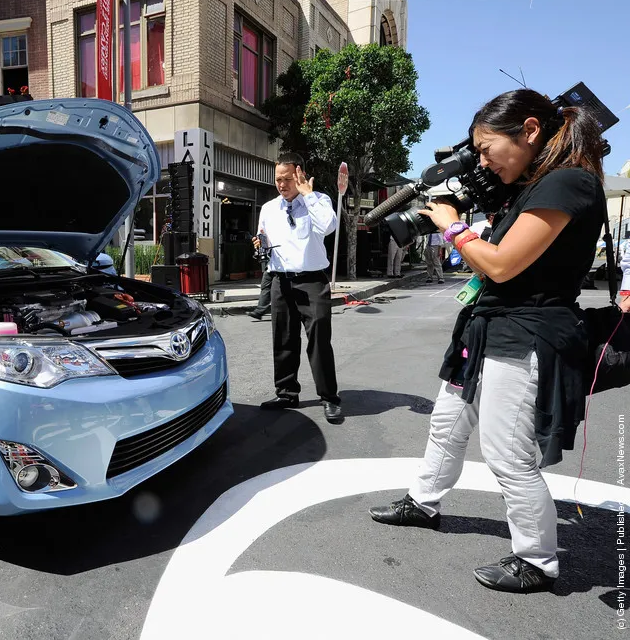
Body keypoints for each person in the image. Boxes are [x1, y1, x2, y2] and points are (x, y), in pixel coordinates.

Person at [367, 88, 608, 593]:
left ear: (531, 132)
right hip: (486, 326)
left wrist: (453, 228)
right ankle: (423, 503)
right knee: (447, 424)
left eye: (484, 148)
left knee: (506, 454)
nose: (481, 160)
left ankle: (538, 560)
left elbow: (499, 264)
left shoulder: (567, 182)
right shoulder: (528, 185)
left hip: (527, 332)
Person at [252, 154, 342, 422]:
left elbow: (328, 227)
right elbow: (263, 238)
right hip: (280, 279)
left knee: (319, 340)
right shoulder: (269, 208)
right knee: (283, 339)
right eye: (278, 179)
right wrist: (259, 244)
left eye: (287, 179)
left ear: (300, 176)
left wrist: (309, 195)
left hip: (312, 280)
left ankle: (329, 398)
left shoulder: (319, 201)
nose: (281, 184)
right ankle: (286, 393)